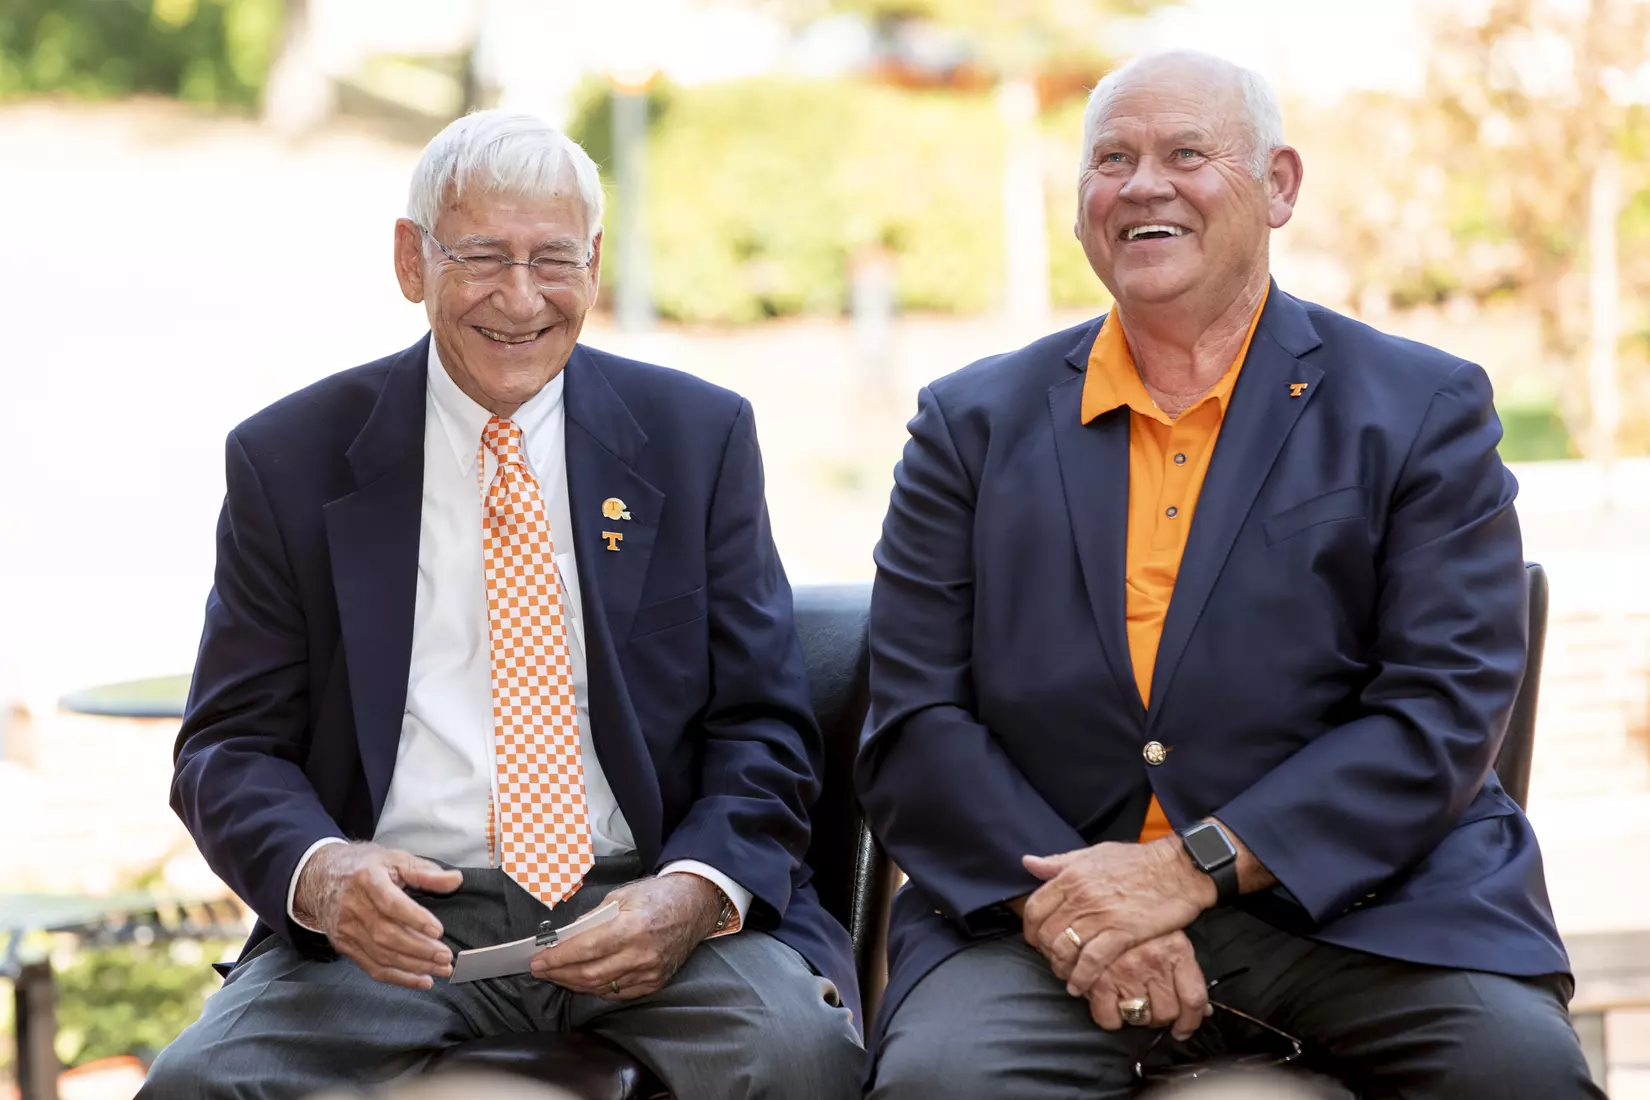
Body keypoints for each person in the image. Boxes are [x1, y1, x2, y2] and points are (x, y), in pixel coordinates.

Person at [857, 49, 1601, 1099]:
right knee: (943, 1084)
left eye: (1186, 154)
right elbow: (916, 721)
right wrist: (1079, 906)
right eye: (1111, 159)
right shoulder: (967, 425)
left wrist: (1184, 868)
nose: (1142, 186)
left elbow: (1439, 709)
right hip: (1043, 912)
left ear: (1279, 185)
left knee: (1518, 1073)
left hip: (1369, 914)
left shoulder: (1419, 408)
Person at [139, 109, 862, 1100]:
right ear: (412, 260)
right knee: (201, 1083)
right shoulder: (290, 459)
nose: (520, 298)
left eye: (553, 259)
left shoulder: (699, 437)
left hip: (644, 899)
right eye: (481, 256)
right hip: (400, 924)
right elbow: (228, 747)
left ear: (594, 264)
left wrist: (692, 894)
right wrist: (326, 873)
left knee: (800, 1057)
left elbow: (765, 724)